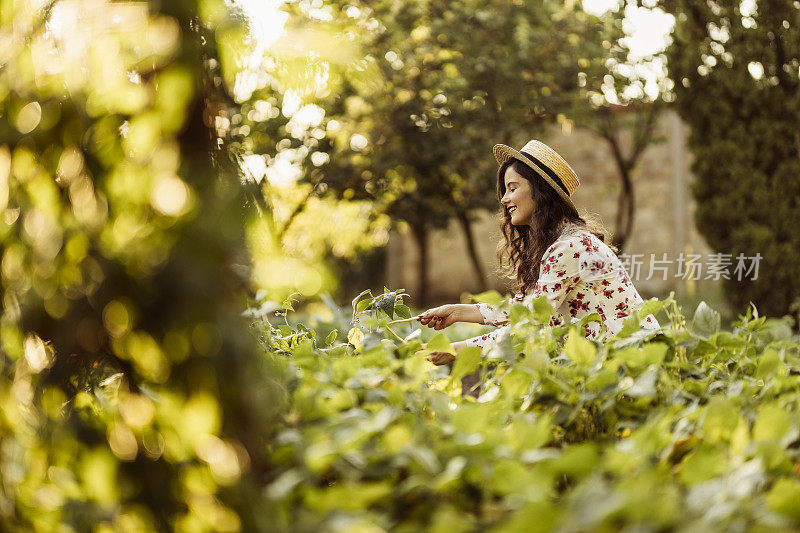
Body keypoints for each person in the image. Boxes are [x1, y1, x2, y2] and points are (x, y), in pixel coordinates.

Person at [418, 139, 661, 358]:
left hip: (638, 361)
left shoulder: (570, 247)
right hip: (619, 360)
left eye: (512, 188)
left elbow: (531, 326)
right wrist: (458, 312)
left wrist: (457, 350)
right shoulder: (561, 242)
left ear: (540, 191)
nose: (504, 199)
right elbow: (527, 310)